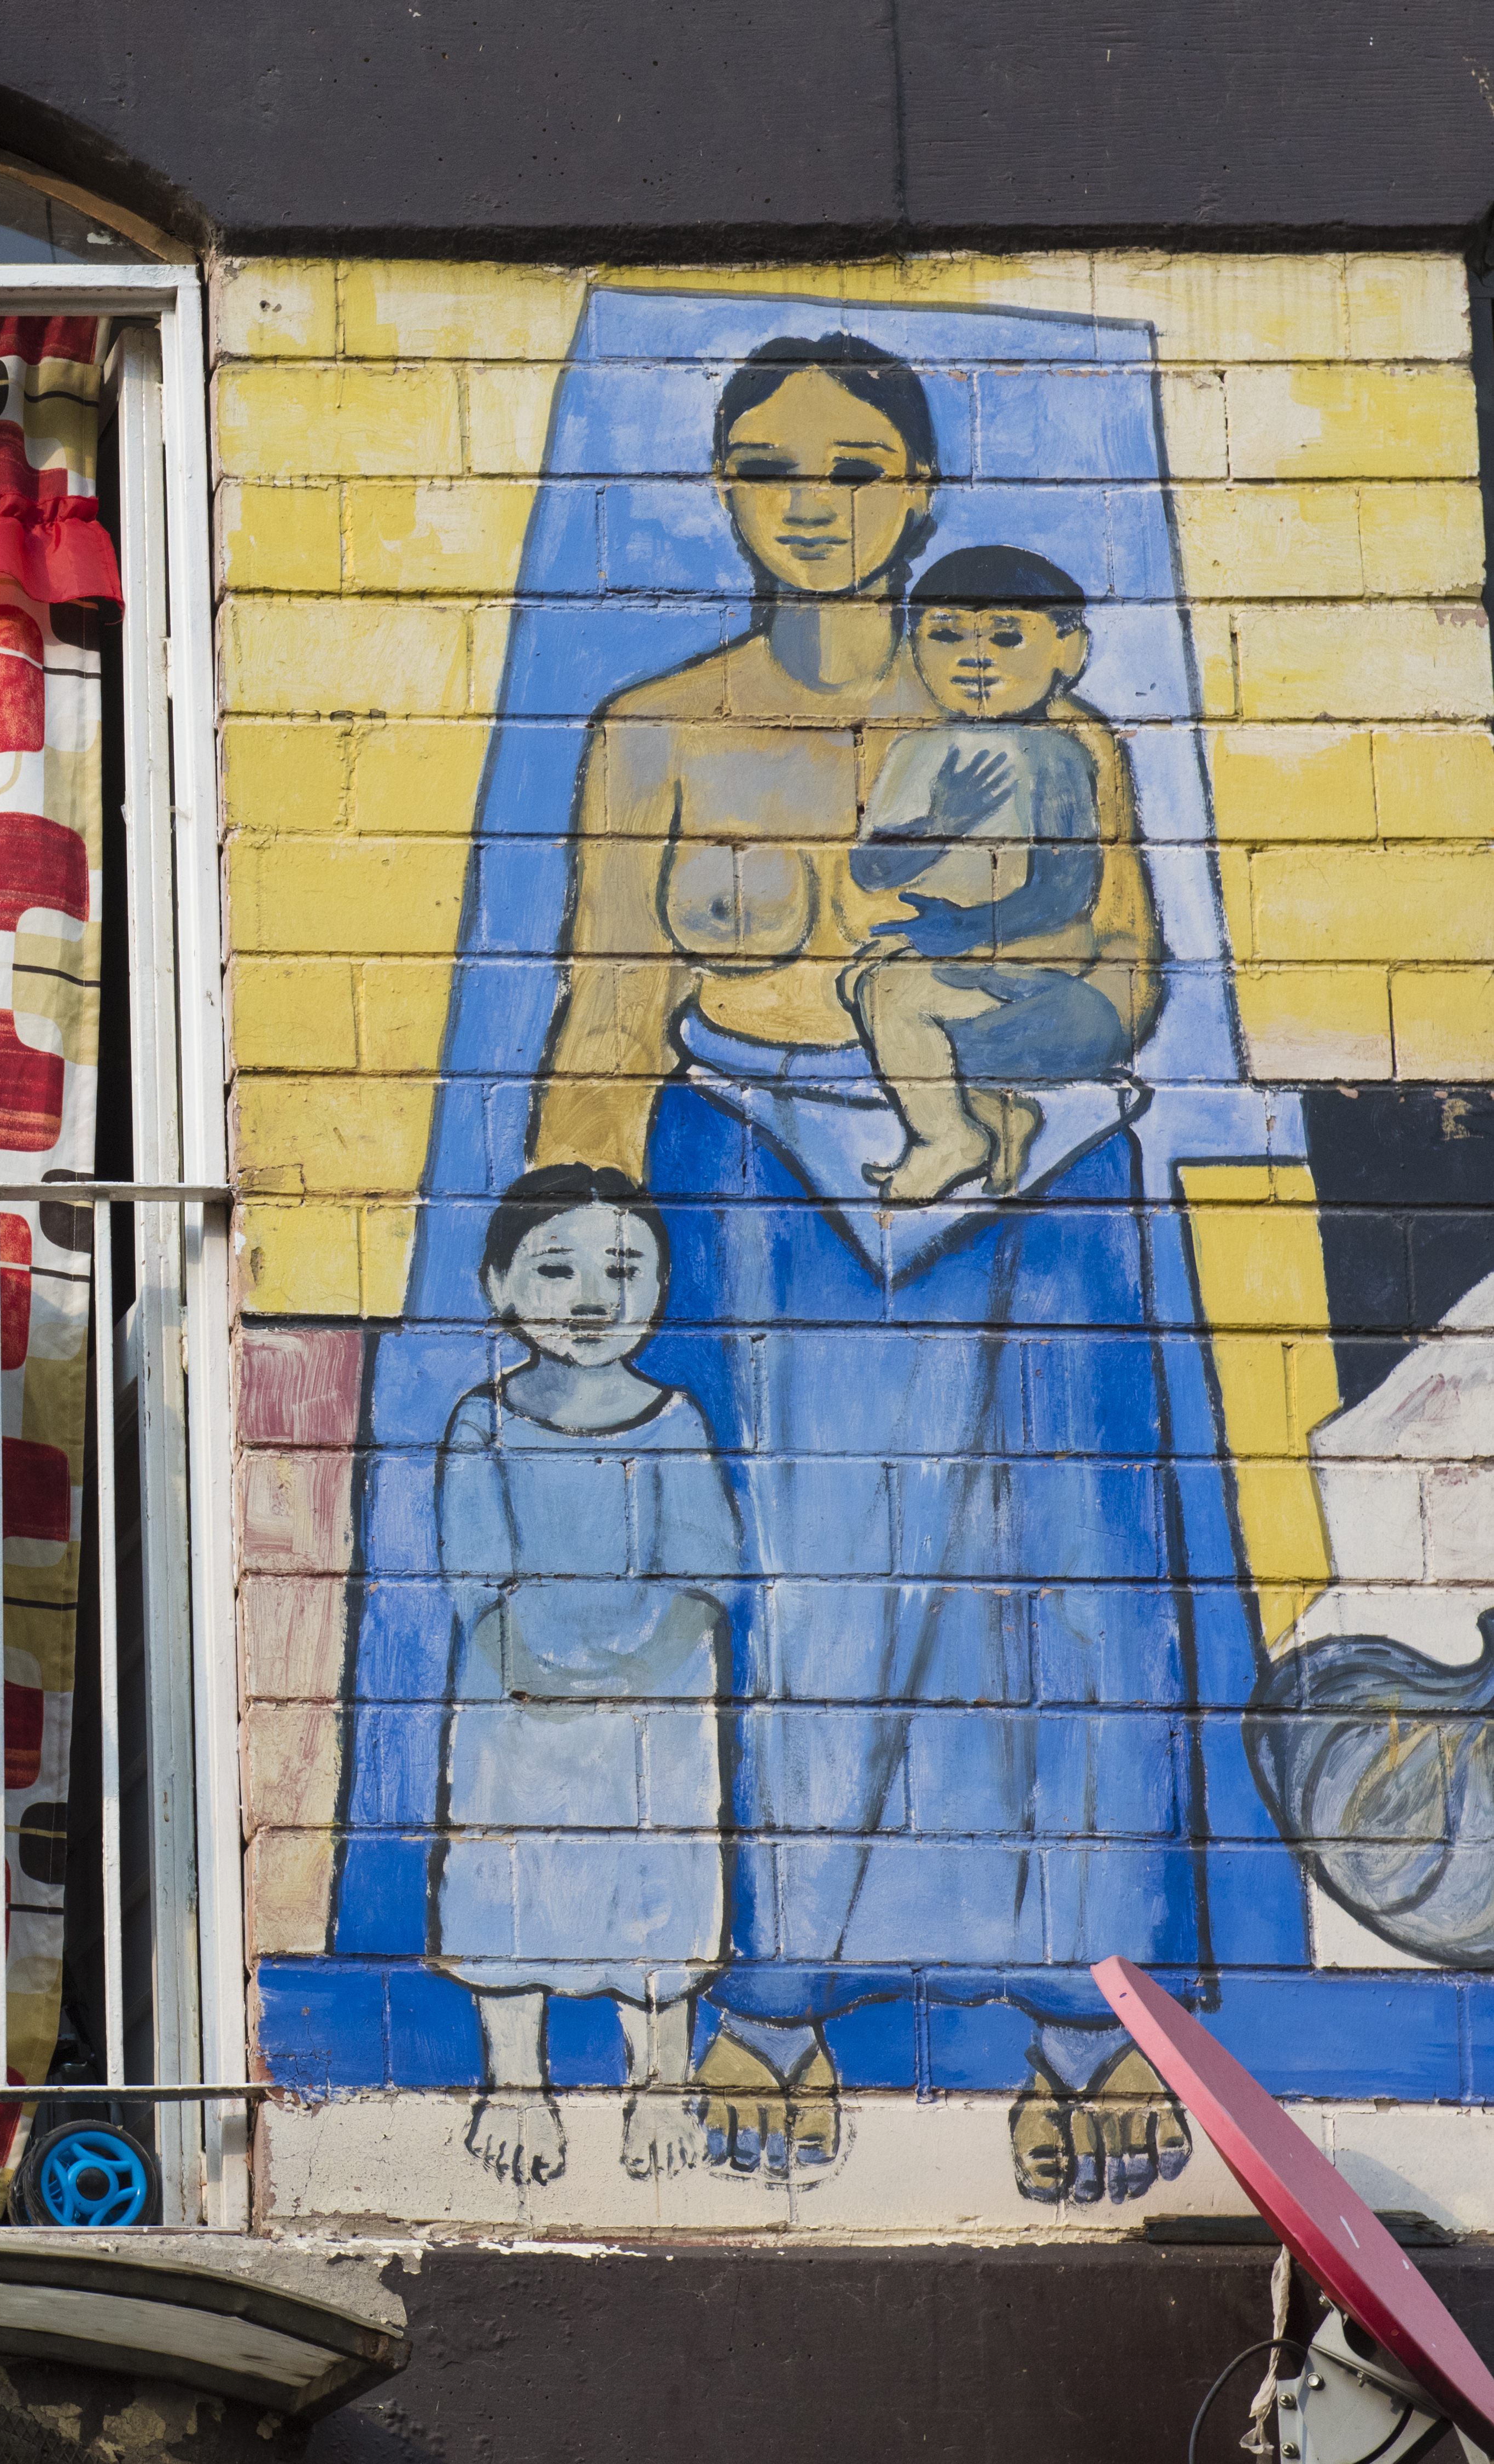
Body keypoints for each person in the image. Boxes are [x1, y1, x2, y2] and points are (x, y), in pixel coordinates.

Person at [527, 329, 1201, 2201]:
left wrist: (974, 1042)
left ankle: (1096, 2021)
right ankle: (780, 1995)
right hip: (754, 1181)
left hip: (1027, 1192)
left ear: (918, 493)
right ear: (724, 491)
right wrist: (567, 1260)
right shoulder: (654, 727)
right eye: (768, 464)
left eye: (850, 466)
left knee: (1063, 1604)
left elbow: (1130, 976)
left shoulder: (1050, 731)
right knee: (800, 1597)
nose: (811, 499)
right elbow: (606, 1008)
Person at [431, 1166, 738, 2189]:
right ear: (497, 1285)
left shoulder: (676, 1419)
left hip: (654, 1717)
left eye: (623, 1270)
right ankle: (515, 2082)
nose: (594, 1300)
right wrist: (538, 1670)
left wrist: (636, 1671)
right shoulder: (485, 1422)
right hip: (517, 1713)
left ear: (660, 1287)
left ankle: (659, 2082)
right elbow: (476, 1576)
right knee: (506, 1885)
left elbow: (705, 1575)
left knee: (659, 1886)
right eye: (557, 1269)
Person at [842, 545, 1133, 1204]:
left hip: (1050, 995)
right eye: (947, 635)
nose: (976, 658)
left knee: (894, 998)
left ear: (1068, 651)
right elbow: (873, 869)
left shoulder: (1056, 756)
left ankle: (951, 1139)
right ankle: (992, 1117)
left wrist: (969, 928)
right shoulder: (915, 752)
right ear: (915, 646)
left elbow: (1066, 889)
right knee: (865, 983)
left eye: (1007, 637)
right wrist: (939, 821)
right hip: (964, 976)